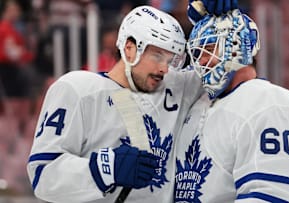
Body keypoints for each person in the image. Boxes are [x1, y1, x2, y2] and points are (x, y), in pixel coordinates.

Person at [26, 2, 238, 202]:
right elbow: (43, 175)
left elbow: (228, 65)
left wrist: (217, 21)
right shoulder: (77, 89)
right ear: (129, 48)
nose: (165, 68)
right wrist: (105, 169)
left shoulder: (174, 86)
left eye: (170, 59)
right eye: (157, 56)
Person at [174, 9, 289, 202]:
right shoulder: (197, 104)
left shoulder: (271, 103)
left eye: (210, 48)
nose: (202, 61)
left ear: (238, 46)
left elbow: (272, 197)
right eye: (197, 54)